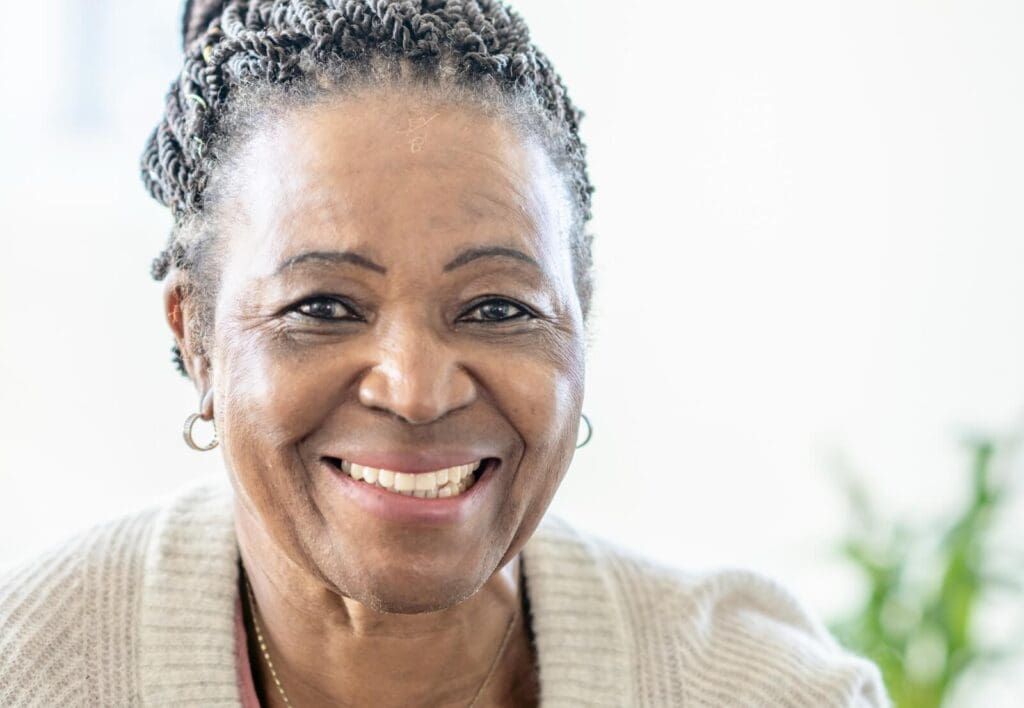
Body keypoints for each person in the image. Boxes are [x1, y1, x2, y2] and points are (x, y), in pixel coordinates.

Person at [0, 1, 889, 705]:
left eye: (498, 306)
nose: (417, 391)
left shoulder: (762, 690)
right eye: (323, 306)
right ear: (194, 338)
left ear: (584, 324)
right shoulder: (32, 674)